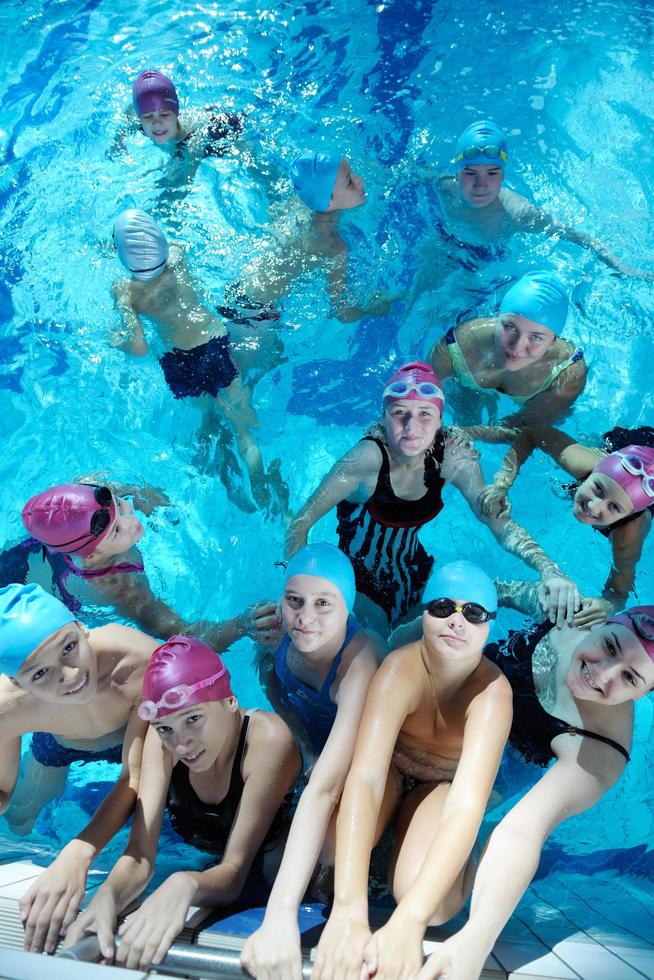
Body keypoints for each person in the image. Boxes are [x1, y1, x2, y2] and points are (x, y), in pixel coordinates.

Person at [417, 596, 654, 980]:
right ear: (604, 622)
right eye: (610, 646)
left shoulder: (603, 749)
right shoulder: (566, 610)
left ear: (644, 695)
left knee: (438, 903)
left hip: (497, 768)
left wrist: (475, 939)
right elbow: (487, 594)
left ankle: (474, 847)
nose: (604, 674)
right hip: (440, 711)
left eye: (630, 679)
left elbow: (524, 828)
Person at [310, 561, 512, 980]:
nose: (456, 621)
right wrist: (349, 910)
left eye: (473, 613)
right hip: (392, 771)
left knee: (435, 907)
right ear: (422, 612)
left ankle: (464, 855)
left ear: (489, 625)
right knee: (325, 856)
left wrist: (409, 921)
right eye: (442, 607)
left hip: (443, 782)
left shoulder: (492, 694)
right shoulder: (399, 669)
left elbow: (465, 805)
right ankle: (393, 834)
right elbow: (365, 779)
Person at [285, 360, 581, 638]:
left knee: (443, 619)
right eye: (399, 412)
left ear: (440, 420)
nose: (411, 427)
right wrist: (296, 591)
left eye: (424, 414)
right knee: (388, 646)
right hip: (357, 580)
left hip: (411, 571)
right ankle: (500, 596)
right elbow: (300, 524)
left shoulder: (453, 456)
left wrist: (551, 570)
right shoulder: (367, 460)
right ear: (383, 418)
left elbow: (499, 523)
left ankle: (519, 594)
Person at [64, 636, 300, 971]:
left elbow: (234, 873)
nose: (182, 743)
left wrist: (185, 882)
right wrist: (107, 897)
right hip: (201, 843)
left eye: (193, 719)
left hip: (271, 847)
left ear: (230, 701)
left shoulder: (269, 743)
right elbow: (141, 855)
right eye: (165, 728)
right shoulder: (162, 745)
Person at [240, 544, 382, 980]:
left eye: (324, 604)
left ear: (347, 608)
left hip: (368, 746)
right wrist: (302, 745)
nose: (304, 619)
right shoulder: (278, 633)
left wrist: (279, 915)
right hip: (316, 729)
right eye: (294, 601)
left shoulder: (361, 663)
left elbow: (327, 786)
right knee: (270, 862)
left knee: (323, 860)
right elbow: (271, 680)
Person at [0, 583, 160, 953]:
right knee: (21, 821)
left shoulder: (138, 663)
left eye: (69, 647)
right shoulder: (10, 707)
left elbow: (135, 775)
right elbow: (4, 793)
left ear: (81, 626)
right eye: (39, 674)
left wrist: (78, 852)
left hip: (129, 736)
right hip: (59, 744)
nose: (69, 675)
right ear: (15, 682)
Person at [111, 209, 288, 514]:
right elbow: (174, 244)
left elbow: (139, 347)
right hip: (213, 345)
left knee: (208, 418)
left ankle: (216, 454)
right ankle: (257, 478)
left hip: (177, 362)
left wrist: (115, 340)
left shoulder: (126, 291)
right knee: (242, 427)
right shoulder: (177, 256)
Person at [17, 480, 277, 644]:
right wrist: (241, 625)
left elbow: (113, 487)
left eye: (121, 505)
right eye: (117, 531)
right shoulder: (119, 584)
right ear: (93, 556)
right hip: (31, 586)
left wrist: (139, 492)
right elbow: (181, 635)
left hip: (38, 552)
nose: (131, 521)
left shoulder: (91, 490)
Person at [476, 425, 654, 626]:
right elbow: (532, 431)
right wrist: (502, 483)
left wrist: (607, 605)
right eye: (597, 488)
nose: (594, 507)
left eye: (614, 507)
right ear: (595, 471)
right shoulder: (584, 463)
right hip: (629, 443)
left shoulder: (627, 535)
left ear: (627, 514)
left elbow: (620, 591)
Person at [430, 119, 650, 276]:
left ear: (503, 177)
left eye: (492, 173)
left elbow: (579, 237)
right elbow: (420, 173)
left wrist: (623, 268)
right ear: (458, 174)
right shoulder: (445, 187)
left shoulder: (519, 213)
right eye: (470, 173)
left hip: (489, 259)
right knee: (414, 301)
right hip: (446, 240)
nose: (480, 185)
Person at [221, 150, 397, 327]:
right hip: (255, 315)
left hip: (239, 286)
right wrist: (371, 309)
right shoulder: (333, 246)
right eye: (350, 182)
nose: (360, 179)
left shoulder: (299, 203)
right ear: (328, 202)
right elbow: (342, 313)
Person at [428, 270, 587, 427]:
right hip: (469, 381)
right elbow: (419, 398)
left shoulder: (567, 373)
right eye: (510, 327)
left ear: (553, 341)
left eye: (536, 337)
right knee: (465, 411)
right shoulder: (461, 343)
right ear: (498, 318)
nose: (517, 347)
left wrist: (471, 434)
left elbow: (525, 431)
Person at [107, 69, 244, 188]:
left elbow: (184, 184)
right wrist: (118, 141)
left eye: (165, 114)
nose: (157, 123)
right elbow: (131, 109)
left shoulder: (193, 144)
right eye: (148, 116)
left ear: (176, 112)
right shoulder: (137, 119)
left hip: (226, 131)